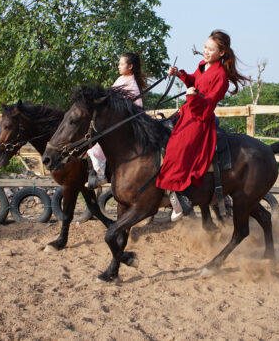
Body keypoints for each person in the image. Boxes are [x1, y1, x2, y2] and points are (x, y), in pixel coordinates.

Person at [157, 30, 249, 221]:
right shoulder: (202, 65)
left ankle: (181, 197)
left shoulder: (221, 77)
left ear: (222, 53)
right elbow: (194, 80)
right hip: (188, 111)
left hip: (200, 118)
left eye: (210, 49)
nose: (205, 51)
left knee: (178, 147)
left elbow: (208, 105)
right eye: (205, 47)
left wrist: (193, 97)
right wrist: (180, 74)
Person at [87, 52, 146, 188]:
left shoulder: (130, 84)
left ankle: (101, 175)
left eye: (121, 64)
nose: (118, 66)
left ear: (130, 66)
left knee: (98, 146)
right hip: (117, 122)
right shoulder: (122, 79)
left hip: (125, 126)